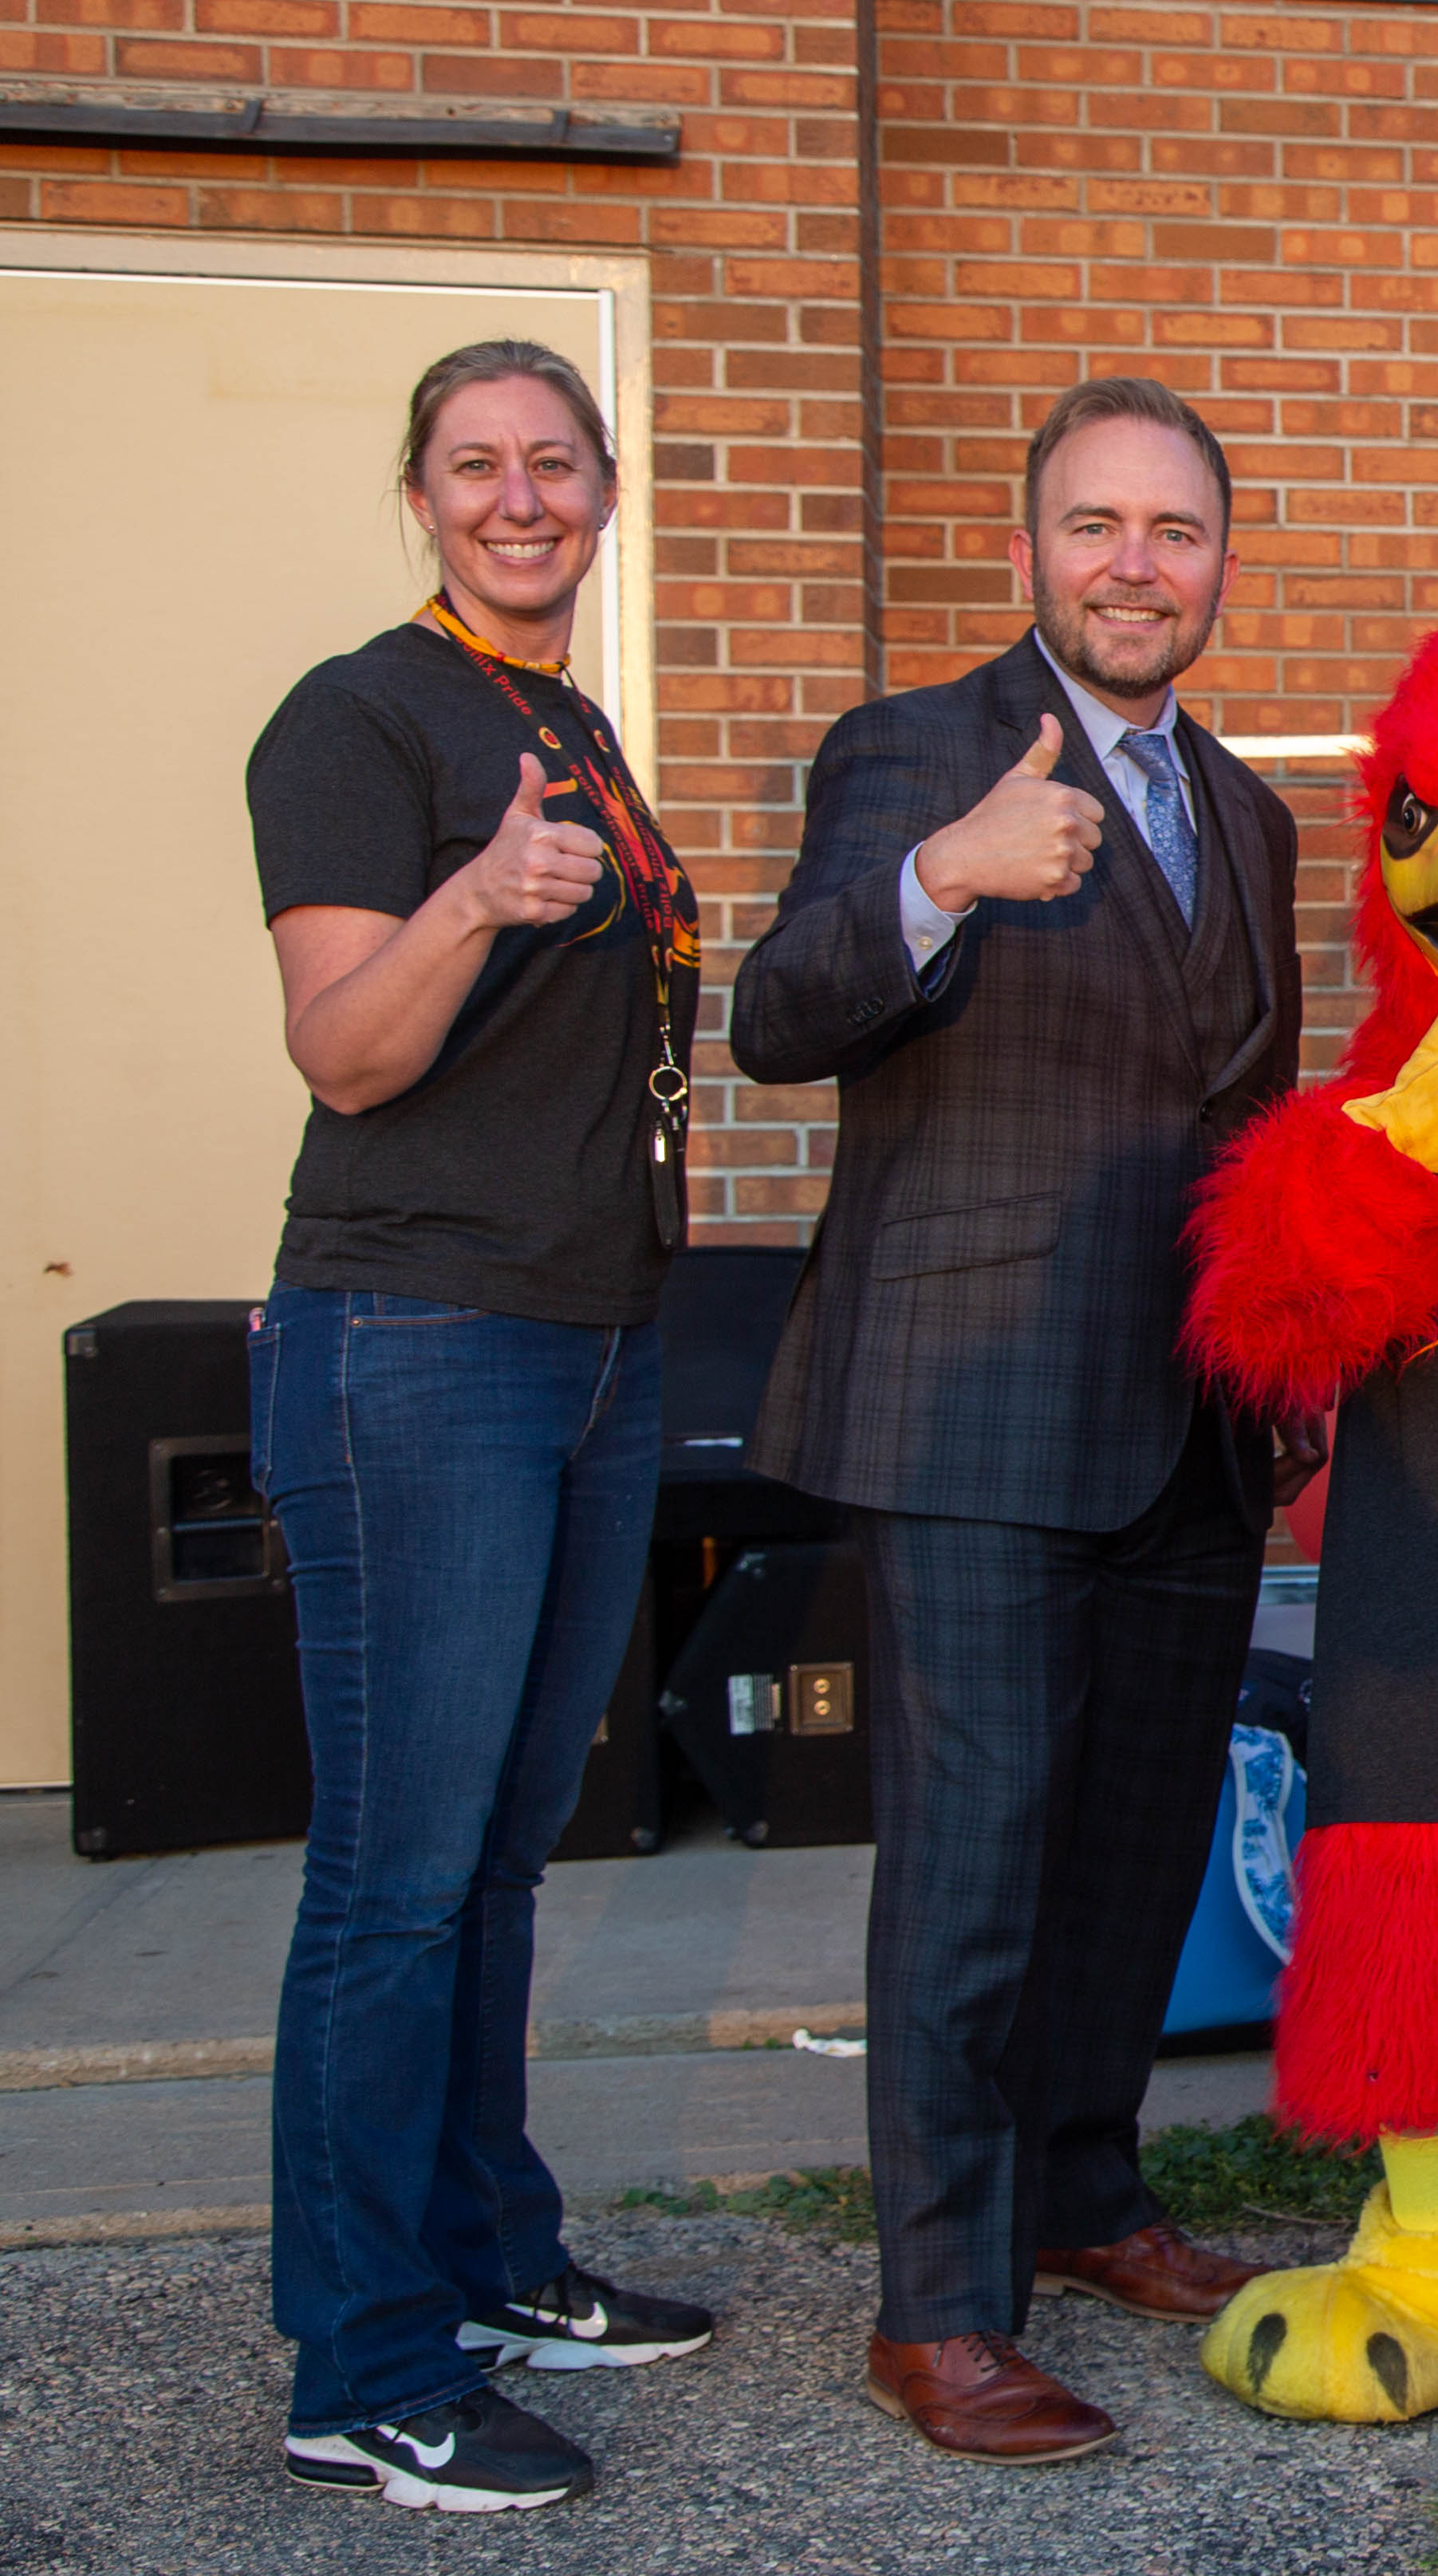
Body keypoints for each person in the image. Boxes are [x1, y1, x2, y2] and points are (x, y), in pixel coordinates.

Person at [730, 376, 1307, 2457]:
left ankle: (1079, 2192)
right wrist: (943, 881)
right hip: (971, 1409)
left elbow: (1235, 1114)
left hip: (1191, 1420)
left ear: (1220, 560)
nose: (1135, 564)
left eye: (1173, 530)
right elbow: (780, 1013)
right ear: (1028, 551)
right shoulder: (914, 751)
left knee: (1133, 1852)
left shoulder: (1248, 811)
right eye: (1096, 526)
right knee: (971, 1863)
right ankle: (939, 2303)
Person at [249, 339, 713, 2514]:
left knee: (501, 1854)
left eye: (554, 462)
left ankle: (486, 2252)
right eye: (475, 468)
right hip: (418, 1340)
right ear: (421, 495)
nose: (520, 496)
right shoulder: (362, 719)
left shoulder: (569, 726)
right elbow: (343, 1051)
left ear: (603, 488)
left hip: (590, 1342)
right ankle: (362, 2362)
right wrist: (467, 897)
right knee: (398, 1881)